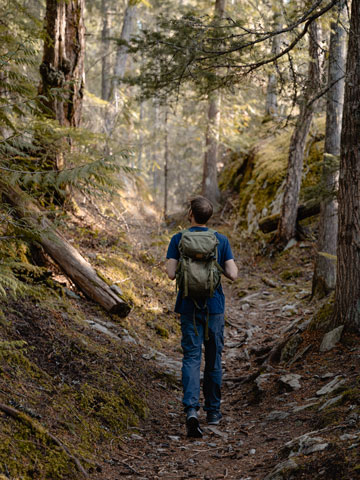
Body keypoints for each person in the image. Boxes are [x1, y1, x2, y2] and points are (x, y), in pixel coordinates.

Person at [166, 195, 238, 437]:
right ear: (209, 216)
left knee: (191, 358)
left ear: (190, 214)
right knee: (214, 358)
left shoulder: (178, 239)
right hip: (214, 307)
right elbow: (233, 274)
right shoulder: (220, 240)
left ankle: (191, 411)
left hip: (188, 306)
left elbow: (170, 274)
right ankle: (214, 412)